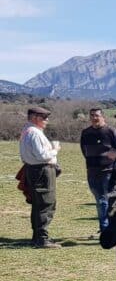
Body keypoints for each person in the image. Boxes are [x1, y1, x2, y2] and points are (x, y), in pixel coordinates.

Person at [19, 106, 62, 248]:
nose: (47, 120)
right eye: (44, 118)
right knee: (45, 203)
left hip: (34, 169)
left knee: (38, 204)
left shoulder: (27, 131)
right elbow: (42, 155)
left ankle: (37, 237)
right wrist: (55, 150)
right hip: (42, 171)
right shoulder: (35, 133)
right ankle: (42, 239)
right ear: (35, 117)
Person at [79, 108, 116, 231]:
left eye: (97, 115)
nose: (94, 118)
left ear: (103, 117)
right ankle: (105, 227)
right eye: (92, 115)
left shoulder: (111, 132)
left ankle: (105, 228)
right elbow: (84, 151)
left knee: (104, 200)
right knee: (99, 199)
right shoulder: (86, 133)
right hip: (92, 170)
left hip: (108, 171)